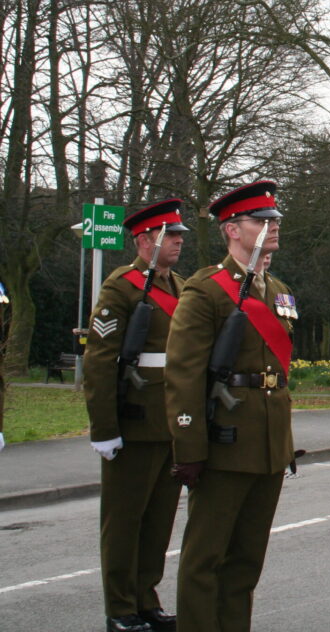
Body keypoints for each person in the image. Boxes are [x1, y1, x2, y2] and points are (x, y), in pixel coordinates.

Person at [165, 181, 296, 632]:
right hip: (225, 439)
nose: (272, 226)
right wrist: (190, 448)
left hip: (267, 444)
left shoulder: (276, 287)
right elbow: (183, 375)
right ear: (231, 230)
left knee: (246, 561)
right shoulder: (207, 289)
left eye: (274, 219)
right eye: (260, 220)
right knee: (206, 557)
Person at [83, 199, 188, 632]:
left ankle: (146, 599)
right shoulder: (121, 287)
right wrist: (105, 429)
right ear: (145, 240)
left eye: (181, 235)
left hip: (169, 423)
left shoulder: (179, 286)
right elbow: (101, 361)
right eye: (172, 235)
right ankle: (120, 607)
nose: (179, 242)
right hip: (134, 420)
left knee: (158, 521)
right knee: (125, 521)